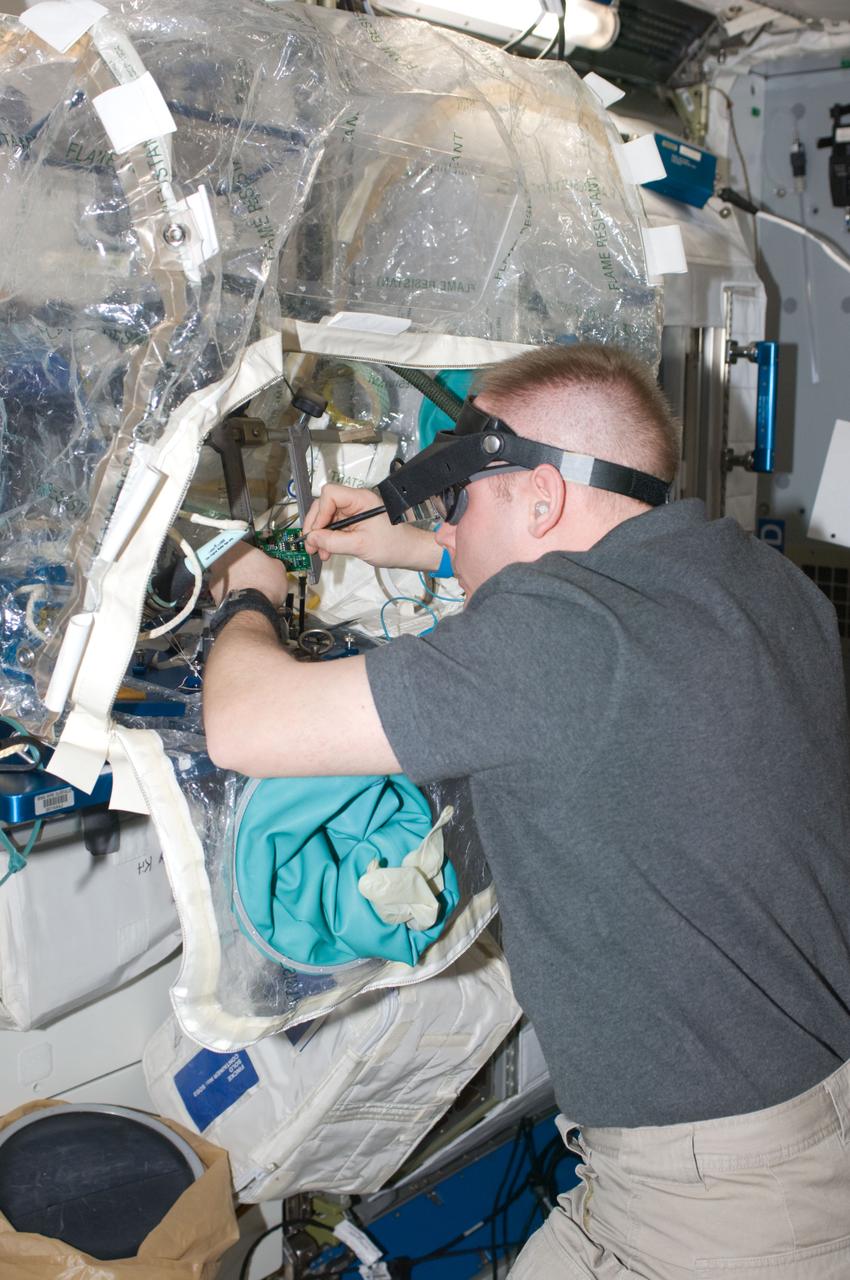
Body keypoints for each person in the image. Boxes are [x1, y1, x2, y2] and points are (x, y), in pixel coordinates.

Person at [203, 343, 850, 1279]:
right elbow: (577, 618)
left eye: (457, 505)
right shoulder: (756, 579)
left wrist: (248, 597)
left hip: (719, 1207)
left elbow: (243, 723)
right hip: (797, 1123)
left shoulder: (560, 637)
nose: (450, 528)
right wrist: (419, 547)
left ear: (542, 498)